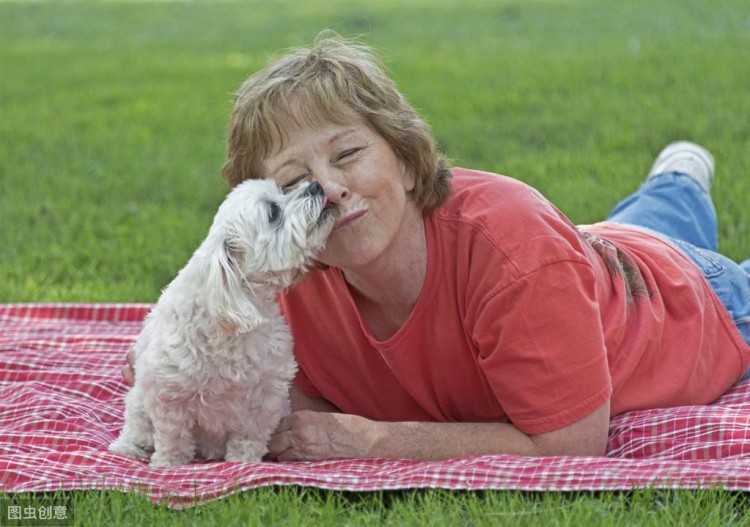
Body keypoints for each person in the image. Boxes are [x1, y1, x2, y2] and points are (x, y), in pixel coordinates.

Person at [123, 34, 750, 461]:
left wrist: (373, 441)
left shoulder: (516, 255)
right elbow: (260, 386)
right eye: (296, 184)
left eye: (348, 154)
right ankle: (675, 183)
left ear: (406, 160)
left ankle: (677, 183)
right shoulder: (290, 280)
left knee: (666, 245)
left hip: (699, 304)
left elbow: (568, 443)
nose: (331, 191)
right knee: (631, 225)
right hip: (591, 252)